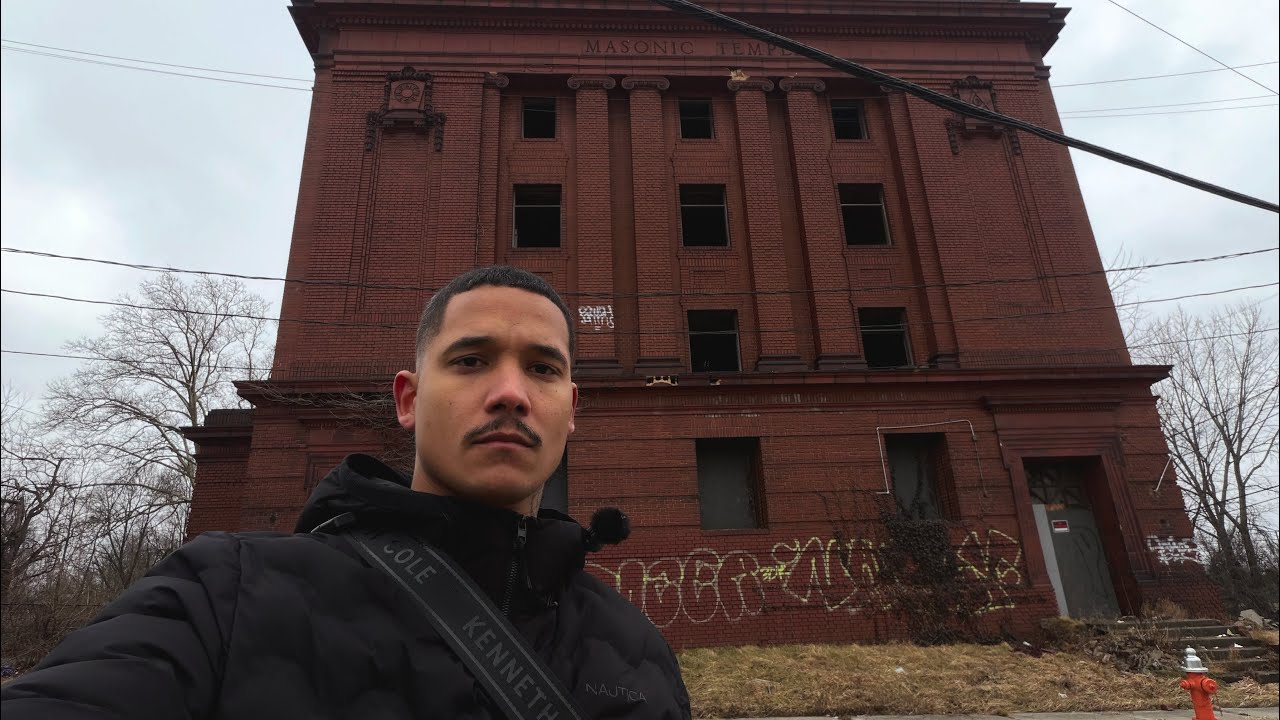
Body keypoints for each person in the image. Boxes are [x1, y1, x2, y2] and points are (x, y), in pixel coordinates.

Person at [1, 266, 692, 719]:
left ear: (570, 409)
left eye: (540, 368)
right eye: (472, 360)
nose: (509, 392)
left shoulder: (636, 650)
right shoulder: (225, 595)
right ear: (408, 400)